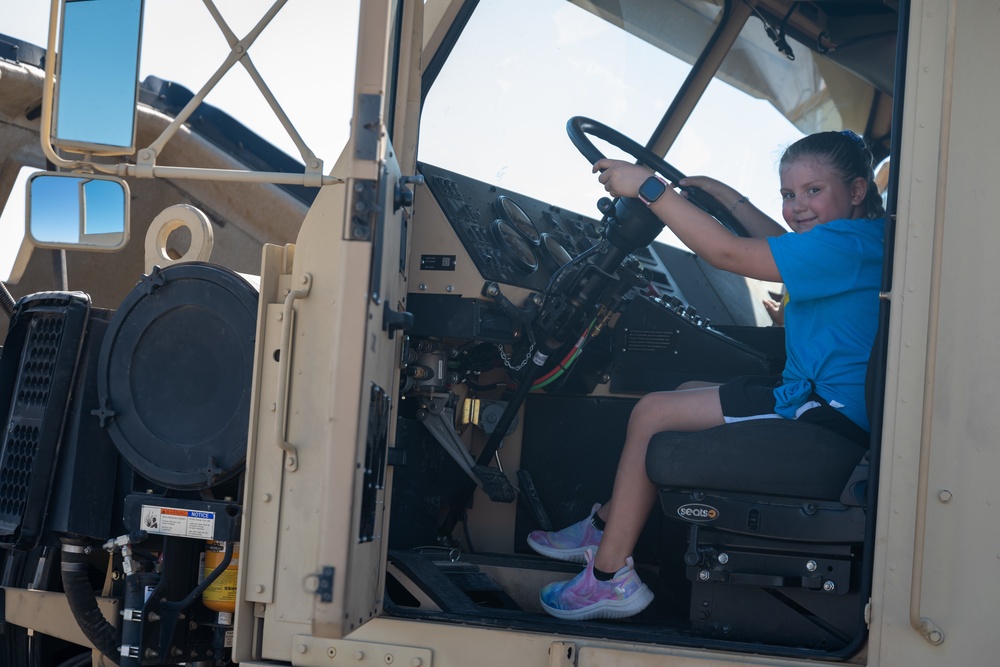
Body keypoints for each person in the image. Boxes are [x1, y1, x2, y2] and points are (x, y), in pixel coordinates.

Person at [528, 130, 886, 621]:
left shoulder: (847, 244)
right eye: (787, 194)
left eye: (813, 191)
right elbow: (782, 244)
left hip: (825, 413)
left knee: (653, 411)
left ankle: (610, 578)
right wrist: (728, 199)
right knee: (681, 392)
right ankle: (607, 525)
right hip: (816, 396)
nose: (797, 206)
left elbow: (728, 255)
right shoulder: (860, 238)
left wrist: (651, 191)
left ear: (858, 190)